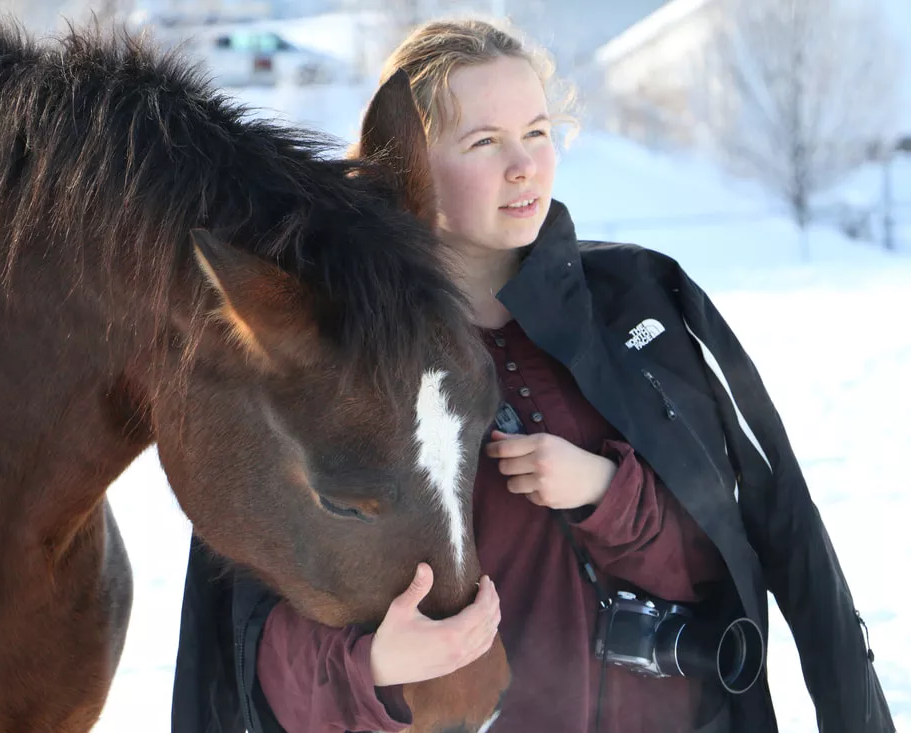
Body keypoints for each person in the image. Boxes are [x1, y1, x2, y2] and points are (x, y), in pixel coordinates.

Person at [171, 17, 894, 733]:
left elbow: (725, 567)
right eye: (485, 141)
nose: (525, 165)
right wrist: (372, 667)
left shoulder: (632, 308)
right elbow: (255, 654)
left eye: (538, 131)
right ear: (409, 166)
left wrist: (608, 493)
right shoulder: (331, 358)